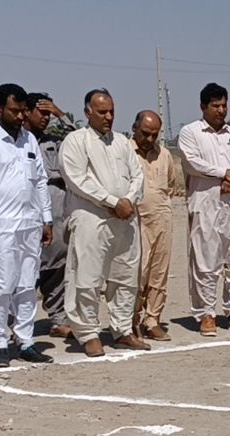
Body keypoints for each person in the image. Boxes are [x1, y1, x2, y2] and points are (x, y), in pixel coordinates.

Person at [0, 83, 54, 367]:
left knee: (28, 285)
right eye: (14, 111)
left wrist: (46, 219)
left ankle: (25, 340)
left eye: (22, 112)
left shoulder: (29, 140)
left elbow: (40, 181)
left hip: (30, 224)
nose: (19, 117)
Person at [59, 88, 147, 357]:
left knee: (125, 277)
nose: (108, 116)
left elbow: (137, 176)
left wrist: (128, 201)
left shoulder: (122, 142)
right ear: (88, 112)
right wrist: (111, 201)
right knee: (87, 278)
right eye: (102, 112)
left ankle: (121, 330)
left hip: (125, 219)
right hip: (91, 219)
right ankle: (88, 334)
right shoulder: (76, 141)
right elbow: (77, 179)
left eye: (111, 111)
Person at [177, 82, 230, 336]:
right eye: (215, 106)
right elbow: (192, 162)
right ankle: (207, 314)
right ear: (203, 107)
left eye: (224, 105)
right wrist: (224, 172)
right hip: (207, 203)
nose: (221, 110)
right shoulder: (191, 132)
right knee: (206, 261)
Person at [25, 92, 76, 339]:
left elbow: (80, 140)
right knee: (25, 272)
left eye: (49, 114)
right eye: (41, 113)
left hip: (58, 213)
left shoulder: (55, 142)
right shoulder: (18, 142)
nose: (46, 118)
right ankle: (18, 325)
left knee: (58, 269)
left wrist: (61, 115)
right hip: (28, 215)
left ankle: (58, 319)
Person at [131, 110, 179, 341]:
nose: (149, 140)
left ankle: (152, 319)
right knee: (137, 274)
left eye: (155, 135)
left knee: (159, 273)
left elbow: (169, 184)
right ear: (134, 129)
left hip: (162, 219)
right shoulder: (125, 153)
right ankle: (130, 321)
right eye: (145, 134)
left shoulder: (165, 155)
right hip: (136, 222)